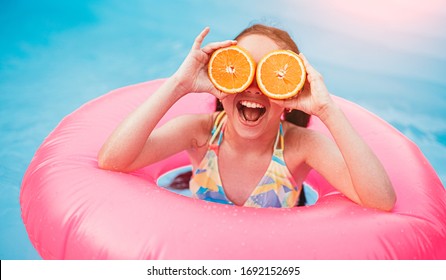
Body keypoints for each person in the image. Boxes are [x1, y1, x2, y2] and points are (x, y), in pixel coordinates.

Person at [98, 24, 396, 210]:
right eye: (240, 73)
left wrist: (326, 110)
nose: (253, 87)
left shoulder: (301, 147)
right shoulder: (199, 134)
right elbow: (112, 161)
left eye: (270, 77)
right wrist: (179, 84)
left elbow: (380, 200)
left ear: (289, 99)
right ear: (221, 86)